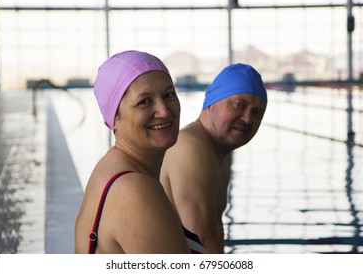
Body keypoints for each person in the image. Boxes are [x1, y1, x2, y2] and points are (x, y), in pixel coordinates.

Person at [75, 50, 206, 254]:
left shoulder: (113, 167)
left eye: (168, 95)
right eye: (144, 101)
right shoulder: (132, 191)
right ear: (114, 117)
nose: (164, 110)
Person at [160, 63, 268, 253]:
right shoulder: (191, 147)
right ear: (210, 103)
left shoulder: (219, 152)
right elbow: (200, 241)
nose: (248, 118)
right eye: (239, 105)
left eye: (257, 113)